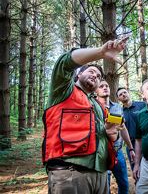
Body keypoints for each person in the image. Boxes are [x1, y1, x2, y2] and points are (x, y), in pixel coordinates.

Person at [42, 37, 127, 194]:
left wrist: (109, 132)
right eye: (91, 71)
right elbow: (64, 63)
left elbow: (103, 136)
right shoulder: (62, 91)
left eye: (99, 76)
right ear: (78, 75)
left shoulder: (99, 106)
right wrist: (100, 53)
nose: (96, 76)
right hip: (69, 174)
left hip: (100, 175)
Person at [96, 80, 135, 194]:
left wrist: (131, 148)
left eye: (107, 86)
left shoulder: (118, 107)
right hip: (101, 153)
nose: (105, 88)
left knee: (124, 184)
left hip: (117, 151)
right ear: (96, 90)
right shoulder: (93, 106)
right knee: (104, 186)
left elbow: (123, 128)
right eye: (101, 86)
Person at [116, 87, 146, 170]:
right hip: (131, 145)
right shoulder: (119, 112)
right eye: (120, 94)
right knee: (136, 170)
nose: (123, 95)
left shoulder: (142, 105)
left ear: (128, 93)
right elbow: (120, 129)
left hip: (145, 141)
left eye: (125, 92)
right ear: (118, 99)